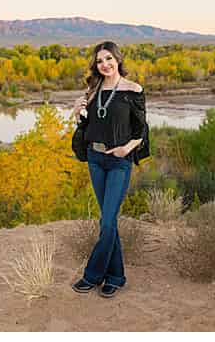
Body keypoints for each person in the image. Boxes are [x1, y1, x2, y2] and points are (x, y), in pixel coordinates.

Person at [67, 41, 149, 297]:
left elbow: (142, 130)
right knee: (108, 221)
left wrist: (128, 148)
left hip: (118, 161)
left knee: (107, 221)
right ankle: (116, 276)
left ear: (118, 60)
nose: (105, 64)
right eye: (100, 61)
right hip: (95, 158)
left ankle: (92, 275)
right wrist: (77, 112)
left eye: (109, 59)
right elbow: (87, 124)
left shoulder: (133, 90)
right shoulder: (93, 90)